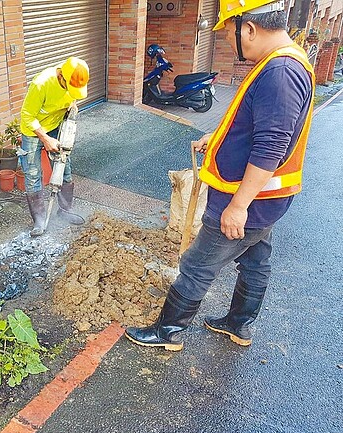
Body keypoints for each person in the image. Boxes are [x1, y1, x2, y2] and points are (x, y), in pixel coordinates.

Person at [125, 0, 315, 351]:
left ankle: (167, 332)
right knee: (256, 258)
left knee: (198, 264)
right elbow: (258, 126)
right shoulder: (284, 62)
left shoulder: (280, 73)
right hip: (268, 199)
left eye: (228, 32)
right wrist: (218, 138)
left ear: (249, 28)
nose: (228, 41)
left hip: (247, 198)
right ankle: (238, 324)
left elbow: (271, 145)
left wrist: (238, 206)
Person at [19, 57, 90, 237]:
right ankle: (39, 220)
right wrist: (45, 139)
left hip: (57, 126)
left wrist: (71, 110)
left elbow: (71, 100)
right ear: (61, 77)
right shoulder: (41, 84)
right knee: (33, 174)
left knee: (64, 168)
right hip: (33, 130)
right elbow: (27, 115)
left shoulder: (75, 79)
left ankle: (65, 211)